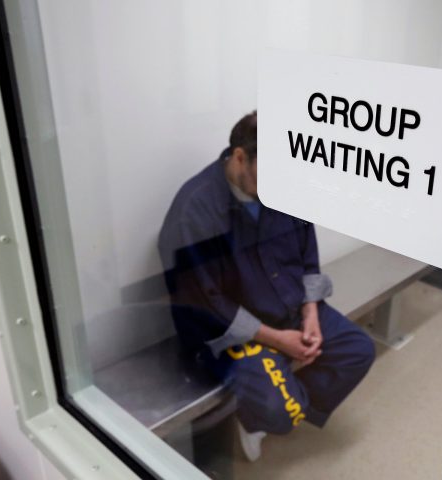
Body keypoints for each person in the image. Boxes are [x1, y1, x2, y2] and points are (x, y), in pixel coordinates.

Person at [158, 111, 375, 461]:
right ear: (240, 156)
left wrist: (310, 315)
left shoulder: (286, 186)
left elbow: (308, 255)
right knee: (283, 411)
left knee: (359, 351)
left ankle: (273, 392)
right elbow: (206, 303)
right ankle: (265, 409)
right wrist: (276, 340)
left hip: (288, 307)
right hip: (230, 332)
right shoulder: (194, 211)